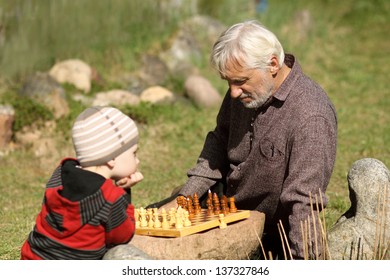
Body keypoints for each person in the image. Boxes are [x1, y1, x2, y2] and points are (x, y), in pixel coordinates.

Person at [165, 20, 338, 259]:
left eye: (240, 81)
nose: (233, 92)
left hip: (268, 236)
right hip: (227, 210)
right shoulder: (244, 90)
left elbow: (303, 203)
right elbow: (219, 141)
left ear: (273, 65)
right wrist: (186, 198)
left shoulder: (311, 116)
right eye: (228, 82)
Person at [21, 106, 143, 260]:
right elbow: (122, 237)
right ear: (111, 159)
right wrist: (124, 192)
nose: (137, 160)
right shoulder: (110, 197)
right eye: (134, 153)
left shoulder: (60, 173)